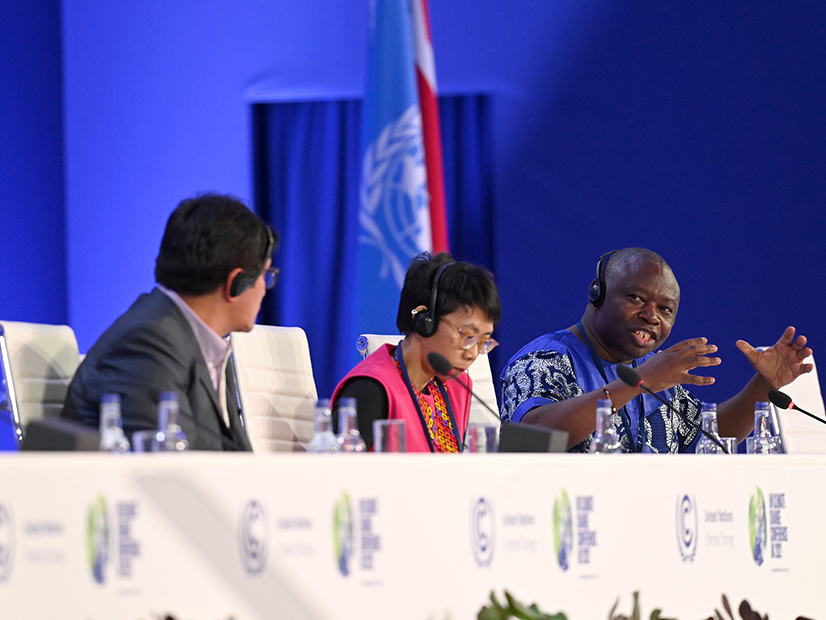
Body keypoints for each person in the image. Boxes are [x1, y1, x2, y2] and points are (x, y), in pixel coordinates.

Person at [500, 247, 813, 453]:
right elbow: (530, 440)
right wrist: (639, 382)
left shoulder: (654, 370)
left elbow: (712, 434)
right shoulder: (544, 359)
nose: (651, 316)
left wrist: (764, 385)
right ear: (598, 295)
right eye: (636, 298)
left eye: (665, 309)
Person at [62, 193, 279, 451]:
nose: (266, 289)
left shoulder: (204, 343)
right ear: (235, 284)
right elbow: (164, 467)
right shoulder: (147, 343)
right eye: (265, 275)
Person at [332, 252, 502, 452]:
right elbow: (332, 475)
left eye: (483, 341)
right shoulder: (371, 388)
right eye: (468, 336)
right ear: (424, 321)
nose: (473, 353)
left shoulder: (457, 386)